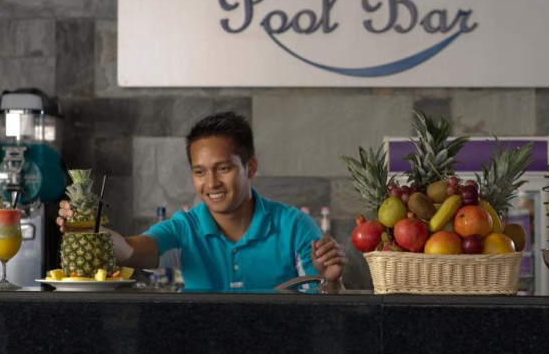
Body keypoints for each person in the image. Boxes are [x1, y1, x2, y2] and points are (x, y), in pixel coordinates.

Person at [57, 111, 346, 291]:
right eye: (200, 172)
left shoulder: (295, 226)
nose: (211, 183)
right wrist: (91, 231)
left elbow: (324, 314)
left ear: (251, 168)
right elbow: (131, 250)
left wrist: (331, 281)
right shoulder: (185, 228)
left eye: (223, 168)